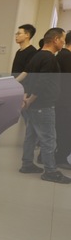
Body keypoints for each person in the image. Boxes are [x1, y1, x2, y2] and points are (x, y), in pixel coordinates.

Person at [19, 27, 71, 184]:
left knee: (31, 136)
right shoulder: (50, 59)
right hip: (44, 105)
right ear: (55, 40)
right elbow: (42, 83)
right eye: (62, 39)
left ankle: (27, 164)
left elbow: (25, 74)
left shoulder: (37, 56)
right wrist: (30, 99)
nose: (63, 42)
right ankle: (50, 171)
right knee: (49, 138)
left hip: (35, 105)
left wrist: (20, 92)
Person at [54, 31, 71, 170]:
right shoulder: (67, 57)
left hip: (60, 100)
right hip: (65, 101)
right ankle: (60, 158)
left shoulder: (61, 55)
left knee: (59, 129)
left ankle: (49, 155)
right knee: (65, 131)